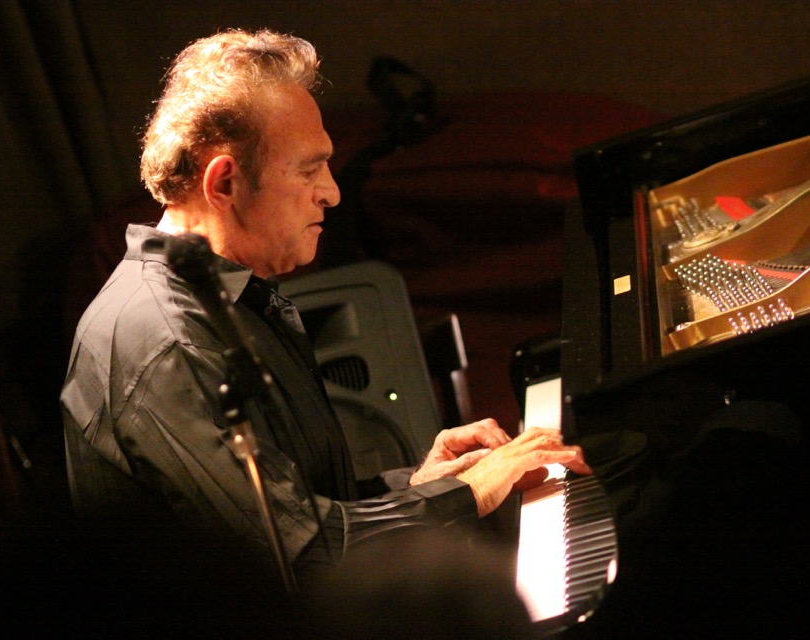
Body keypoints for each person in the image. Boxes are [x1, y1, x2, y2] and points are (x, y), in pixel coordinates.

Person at [60, 28, 589, 595]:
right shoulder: (166, 341)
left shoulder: (227, 294)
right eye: (309, 169)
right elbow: (300, 557)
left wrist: (422, 482)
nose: (332, 193)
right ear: (225, 182)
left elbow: (298, 507)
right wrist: (470, 492)